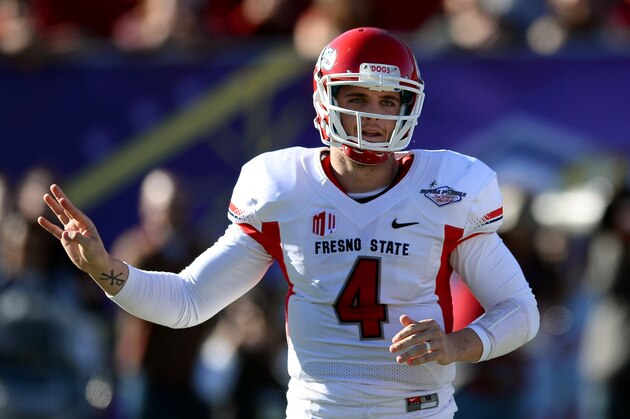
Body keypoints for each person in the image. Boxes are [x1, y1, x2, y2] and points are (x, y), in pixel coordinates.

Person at [38, 27, 539, 418]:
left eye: (389, 101)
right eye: (359, 97)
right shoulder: (284, 189)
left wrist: (458, 344)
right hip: (317, 413)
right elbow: (187, 302)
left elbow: (519, 309)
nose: (375, 116)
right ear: (326, 102)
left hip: (418, 413)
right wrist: (104, 268)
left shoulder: (447, 190)